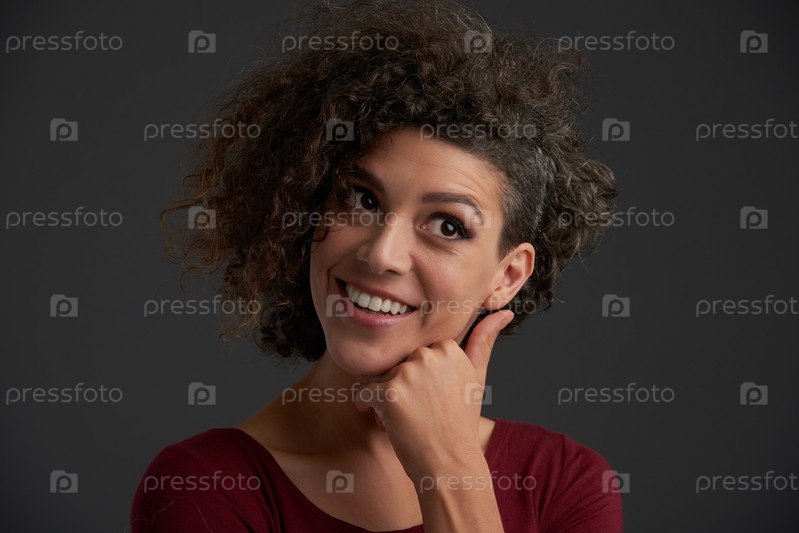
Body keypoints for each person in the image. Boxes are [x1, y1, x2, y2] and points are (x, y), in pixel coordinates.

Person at [131, 0, 622, 531]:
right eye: (362, 199)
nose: (381, 254)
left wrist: (449, 469)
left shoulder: (564, 485)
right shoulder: (202, 489)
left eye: (447, 226)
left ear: (507, 277)